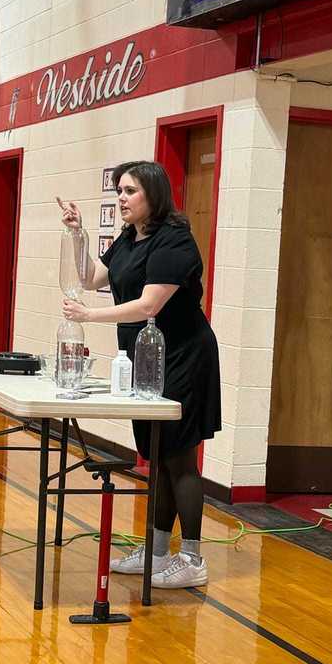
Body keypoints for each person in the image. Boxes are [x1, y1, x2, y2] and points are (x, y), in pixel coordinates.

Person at [57, 161, 221, 588]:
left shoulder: (174, 240)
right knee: (158, 456)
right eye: (119, 191)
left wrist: (88, 316)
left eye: (129, 191)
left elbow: (149, 306)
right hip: (147, 360)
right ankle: (157, 550)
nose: (121, 198)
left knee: (179, 458)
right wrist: (78, 234)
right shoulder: (130, 238)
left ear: (154, 194)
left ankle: (192, 559)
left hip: (184, 357)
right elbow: (91, 277)